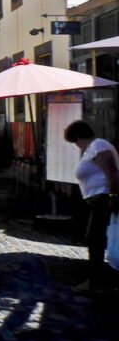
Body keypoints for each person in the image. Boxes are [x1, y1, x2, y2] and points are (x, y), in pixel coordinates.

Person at [63, 119, 119, 291]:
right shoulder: (93, 148)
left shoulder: (98, 146)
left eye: (74, 141)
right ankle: (100, 278)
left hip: (103, 198)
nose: (76, 145)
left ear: (79, 137)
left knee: (96, 239)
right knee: (97, 238)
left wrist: (113, 196)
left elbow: (112, 172)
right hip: (97, 199)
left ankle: (96, 281)